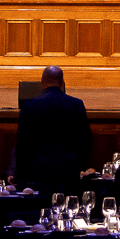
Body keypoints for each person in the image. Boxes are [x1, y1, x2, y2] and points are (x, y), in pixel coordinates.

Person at [11, 65, 91, 196]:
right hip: (68, 172)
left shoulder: (30, 105)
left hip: (38, 172)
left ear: (42, 81)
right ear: (62, 82)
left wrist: (22, 175)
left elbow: (23, 143)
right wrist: (79, 168)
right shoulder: (76, 104)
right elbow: (85, 141)